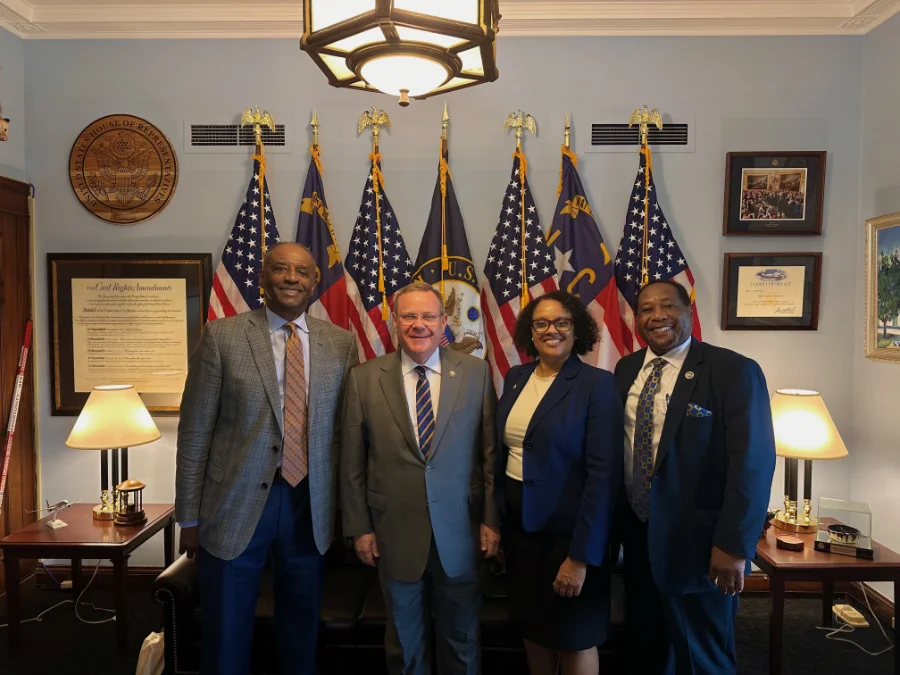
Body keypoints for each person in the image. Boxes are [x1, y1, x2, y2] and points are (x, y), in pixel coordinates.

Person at [175, 241, 357, 675]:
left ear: (315, 281)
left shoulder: (341, 344)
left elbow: (343, 434)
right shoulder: (223, 336)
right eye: (280, 269)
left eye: (301, 272)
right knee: (226, 631)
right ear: (262, 277)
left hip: (308, 505)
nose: (291, 278)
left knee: (300, 627)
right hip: (235, 504)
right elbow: (195, 430)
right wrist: (188, 517)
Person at [614, 279, 775, 675]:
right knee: (648, 647)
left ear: (688, 311)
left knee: (702, 656)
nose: (657, 317)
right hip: (639, 538)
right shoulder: (626, 368)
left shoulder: (733, 371)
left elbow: (752, 466)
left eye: (667, 306)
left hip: (701, 546)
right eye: (646, 309)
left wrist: (734, 546)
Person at [340, 281, 500, 675]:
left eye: (428, 316)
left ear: (444, 321)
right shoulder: (364, 378)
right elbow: (352, 462)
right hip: (392, 535)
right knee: (404, 649)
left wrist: (492, 521)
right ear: (394, 321)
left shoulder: (477, 374)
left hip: (461, 533)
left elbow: (490, 454)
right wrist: (359, 528)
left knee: (461, 644)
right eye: (409, 315)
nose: (419, 324)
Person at [494, 290, 623, 675]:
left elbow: (603, 476)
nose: (552, 330)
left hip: (571, 537)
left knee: (574, 635)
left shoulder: (596, 385)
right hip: (521, 534)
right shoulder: (516, 378)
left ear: (577, 329)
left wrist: (580, 557)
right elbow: (505, 455)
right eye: (542, 323)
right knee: (534, 628)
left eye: (562, 322)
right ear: (529, 332)